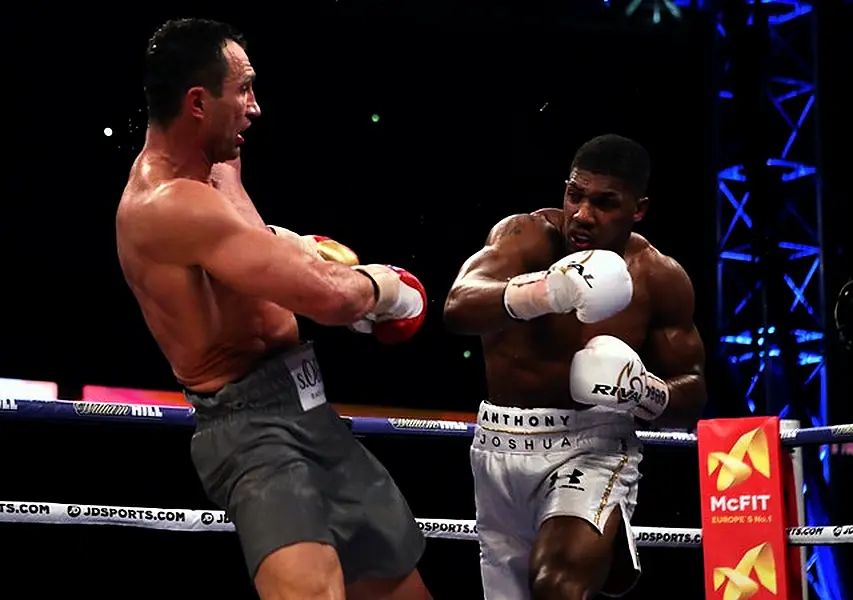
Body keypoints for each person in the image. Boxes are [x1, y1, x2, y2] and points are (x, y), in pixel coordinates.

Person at [116, 18, 433, 600]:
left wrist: (289, 249)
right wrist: (386, 288)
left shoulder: (217, 166)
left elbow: (253, 254)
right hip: (252, 432)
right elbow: (331, 300)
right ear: (196, 102)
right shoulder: (168, 203)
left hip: (311, 408)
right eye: (243, 89)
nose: (255, 108)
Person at [443, 134, 708, 600]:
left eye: (605, 203)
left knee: (557, 585)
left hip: (594, 447)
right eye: (575, 195)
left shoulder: (658, 276)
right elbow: (458, 306)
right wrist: (546, 291)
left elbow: (693, 391)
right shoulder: (524, 237)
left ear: (638, 209)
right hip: (497, 446)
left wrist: (645, 392)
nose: (583, 215)